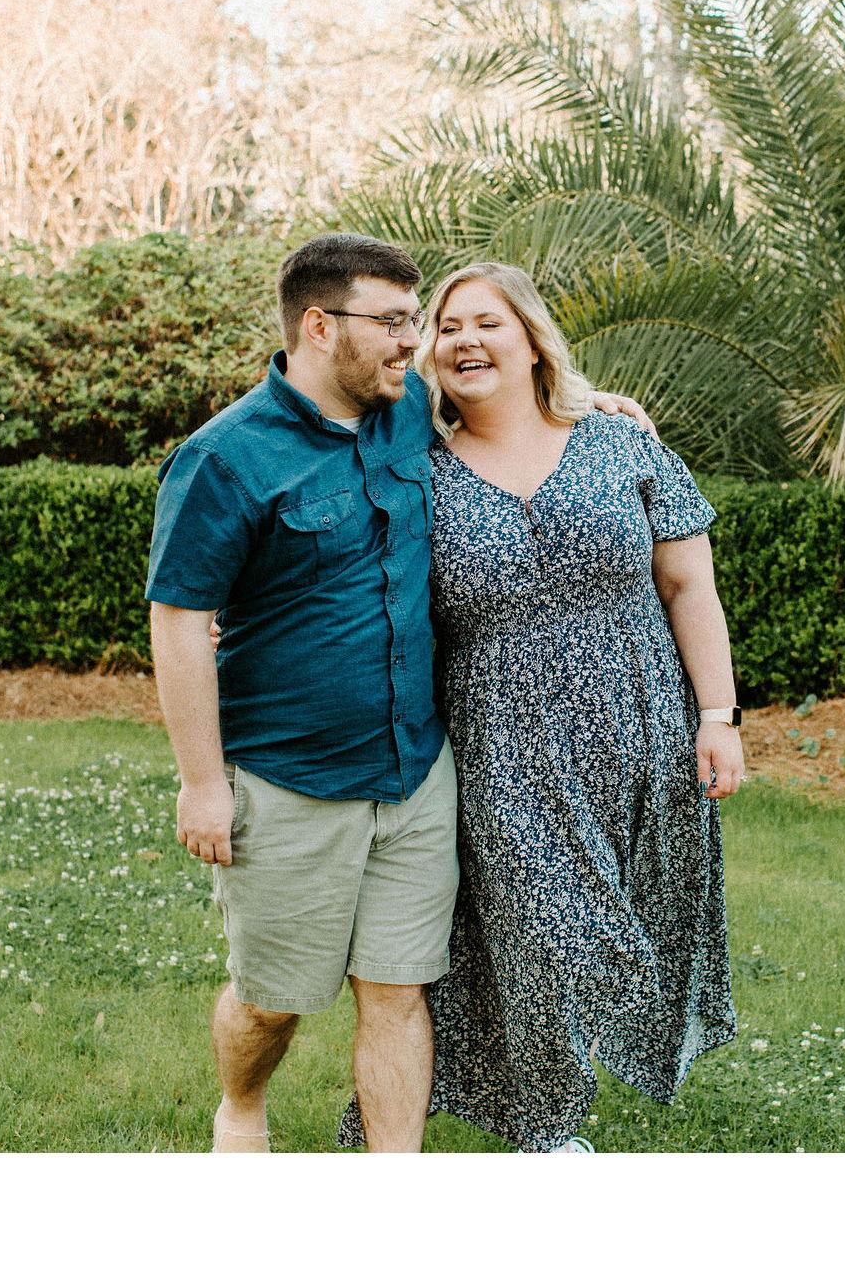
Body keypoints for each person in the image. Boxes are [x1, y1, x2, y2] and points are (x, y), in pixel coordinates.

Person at [145, 232, 653, 1154]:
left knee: (398, 989)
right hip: (291, 778)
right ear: (318, 326)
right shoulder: (223, 459)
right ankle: (242, 1107)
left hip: (417, 773)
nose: (412, 341)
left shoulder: (406, 409)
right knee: (273, 1000)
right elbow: (180, 621)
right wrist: (202, 783)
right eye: (391, 322)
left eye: (413, 319)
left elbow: (508, 404)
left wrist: (592, 407)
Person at [339, 261, 741, 1154]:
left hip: (640, 728)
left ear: (531, 340)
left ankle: (546, 1104)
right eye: (448, 328)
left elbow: (688, 584)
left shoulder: (621, 444)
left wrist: (718, 716)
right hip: (503, 748)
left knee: (628, 920)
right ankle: (549, 1133)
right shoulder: (416, 472)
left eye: (487, 323)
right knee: (544, 935)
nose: (465, 341)